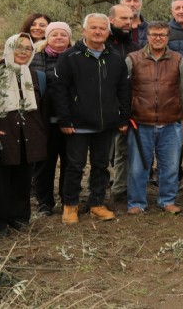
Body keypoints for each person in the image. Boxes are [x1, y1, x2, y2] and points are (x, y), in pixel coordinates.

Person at [52, 13, 131, 224]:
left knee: (101, 166)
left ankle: (96, 203)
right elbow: (59, 91)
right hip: (77, 125)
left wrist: (123, 118)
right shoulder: (69, 57)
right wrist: (64, 120)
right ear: (84, 31)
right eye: (93, 28)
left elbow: (123, 89)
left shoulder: (115, 58)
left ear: (108, 32)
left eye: (102, 28)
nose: (98, 32)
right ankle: (70, 205)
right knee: (75, 166)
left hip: (105, 124)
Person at [126, 21, 183, 215]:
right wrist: (124, 118)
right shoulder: (133, 59)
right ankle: (137, 202)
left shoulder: (178, 60)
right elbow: (125, 91)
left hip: (171, 122)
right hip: (140, 122)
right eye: (154, 34)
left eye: (162, 35)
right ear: (147, 36)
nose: (158, 38)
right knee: (138, 166)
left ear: (168, 37)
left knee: (170, 165)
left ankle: (167, 200)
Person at [0, 33, 47, 237]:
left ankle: (19, 217)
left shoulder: (36, 75)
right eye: (18, 47)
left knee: (23, 178)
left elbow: (42, 106)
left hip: (29, 133)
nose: (23, 52)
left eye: (28, 48)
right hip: (3, 133)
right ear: (9, 47)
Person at [31, 22, 73, 216]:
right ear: (47, 37)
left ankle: (68, 199)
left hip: (70, 122)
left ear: (69, 38)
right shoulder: (35, 58)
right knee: (44, 165)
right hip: (43, 122)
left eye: (63, 35)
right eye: (54, 34)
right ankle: (45, 203)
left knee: (70, 163)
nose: (59, 37)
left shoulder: (76, 58)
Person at [107, 4, 141, 202]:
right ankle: (99, 189)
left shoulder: (134, 48)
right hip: (103, 107)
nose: (128, 23)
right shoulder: (103, 43)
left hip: (127, 108)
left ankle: (120, 189)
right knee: (102, 153)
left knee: (123, 150)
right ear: (111, 20)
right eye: (124, 19)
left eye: (131, 19)